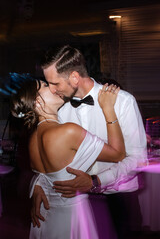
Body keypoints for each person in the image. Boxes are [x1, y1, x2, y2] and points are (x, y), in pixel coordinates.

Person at [31, 45, 147, 238]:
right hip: (76, 200)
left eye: (55, 83)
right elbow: (50, 155)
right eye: (47, 83)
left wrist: (96, 181)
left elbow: (138, 159)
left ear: (75, 77)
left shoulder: (123, 102)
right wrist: (38, 185)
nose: (51, 90)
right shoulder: (58, 108)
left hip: (117, 196)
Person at [11, 77, 125, 239]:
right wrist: (108, 109)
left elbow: (44, 176)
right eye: (44, 85)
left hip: (46, 215)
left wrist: (37, 185)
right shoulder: (68, 131)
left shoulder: (33, 139)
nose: (52, 87)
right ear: (37, 102)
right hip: (71, 217)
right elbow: (118, 154)